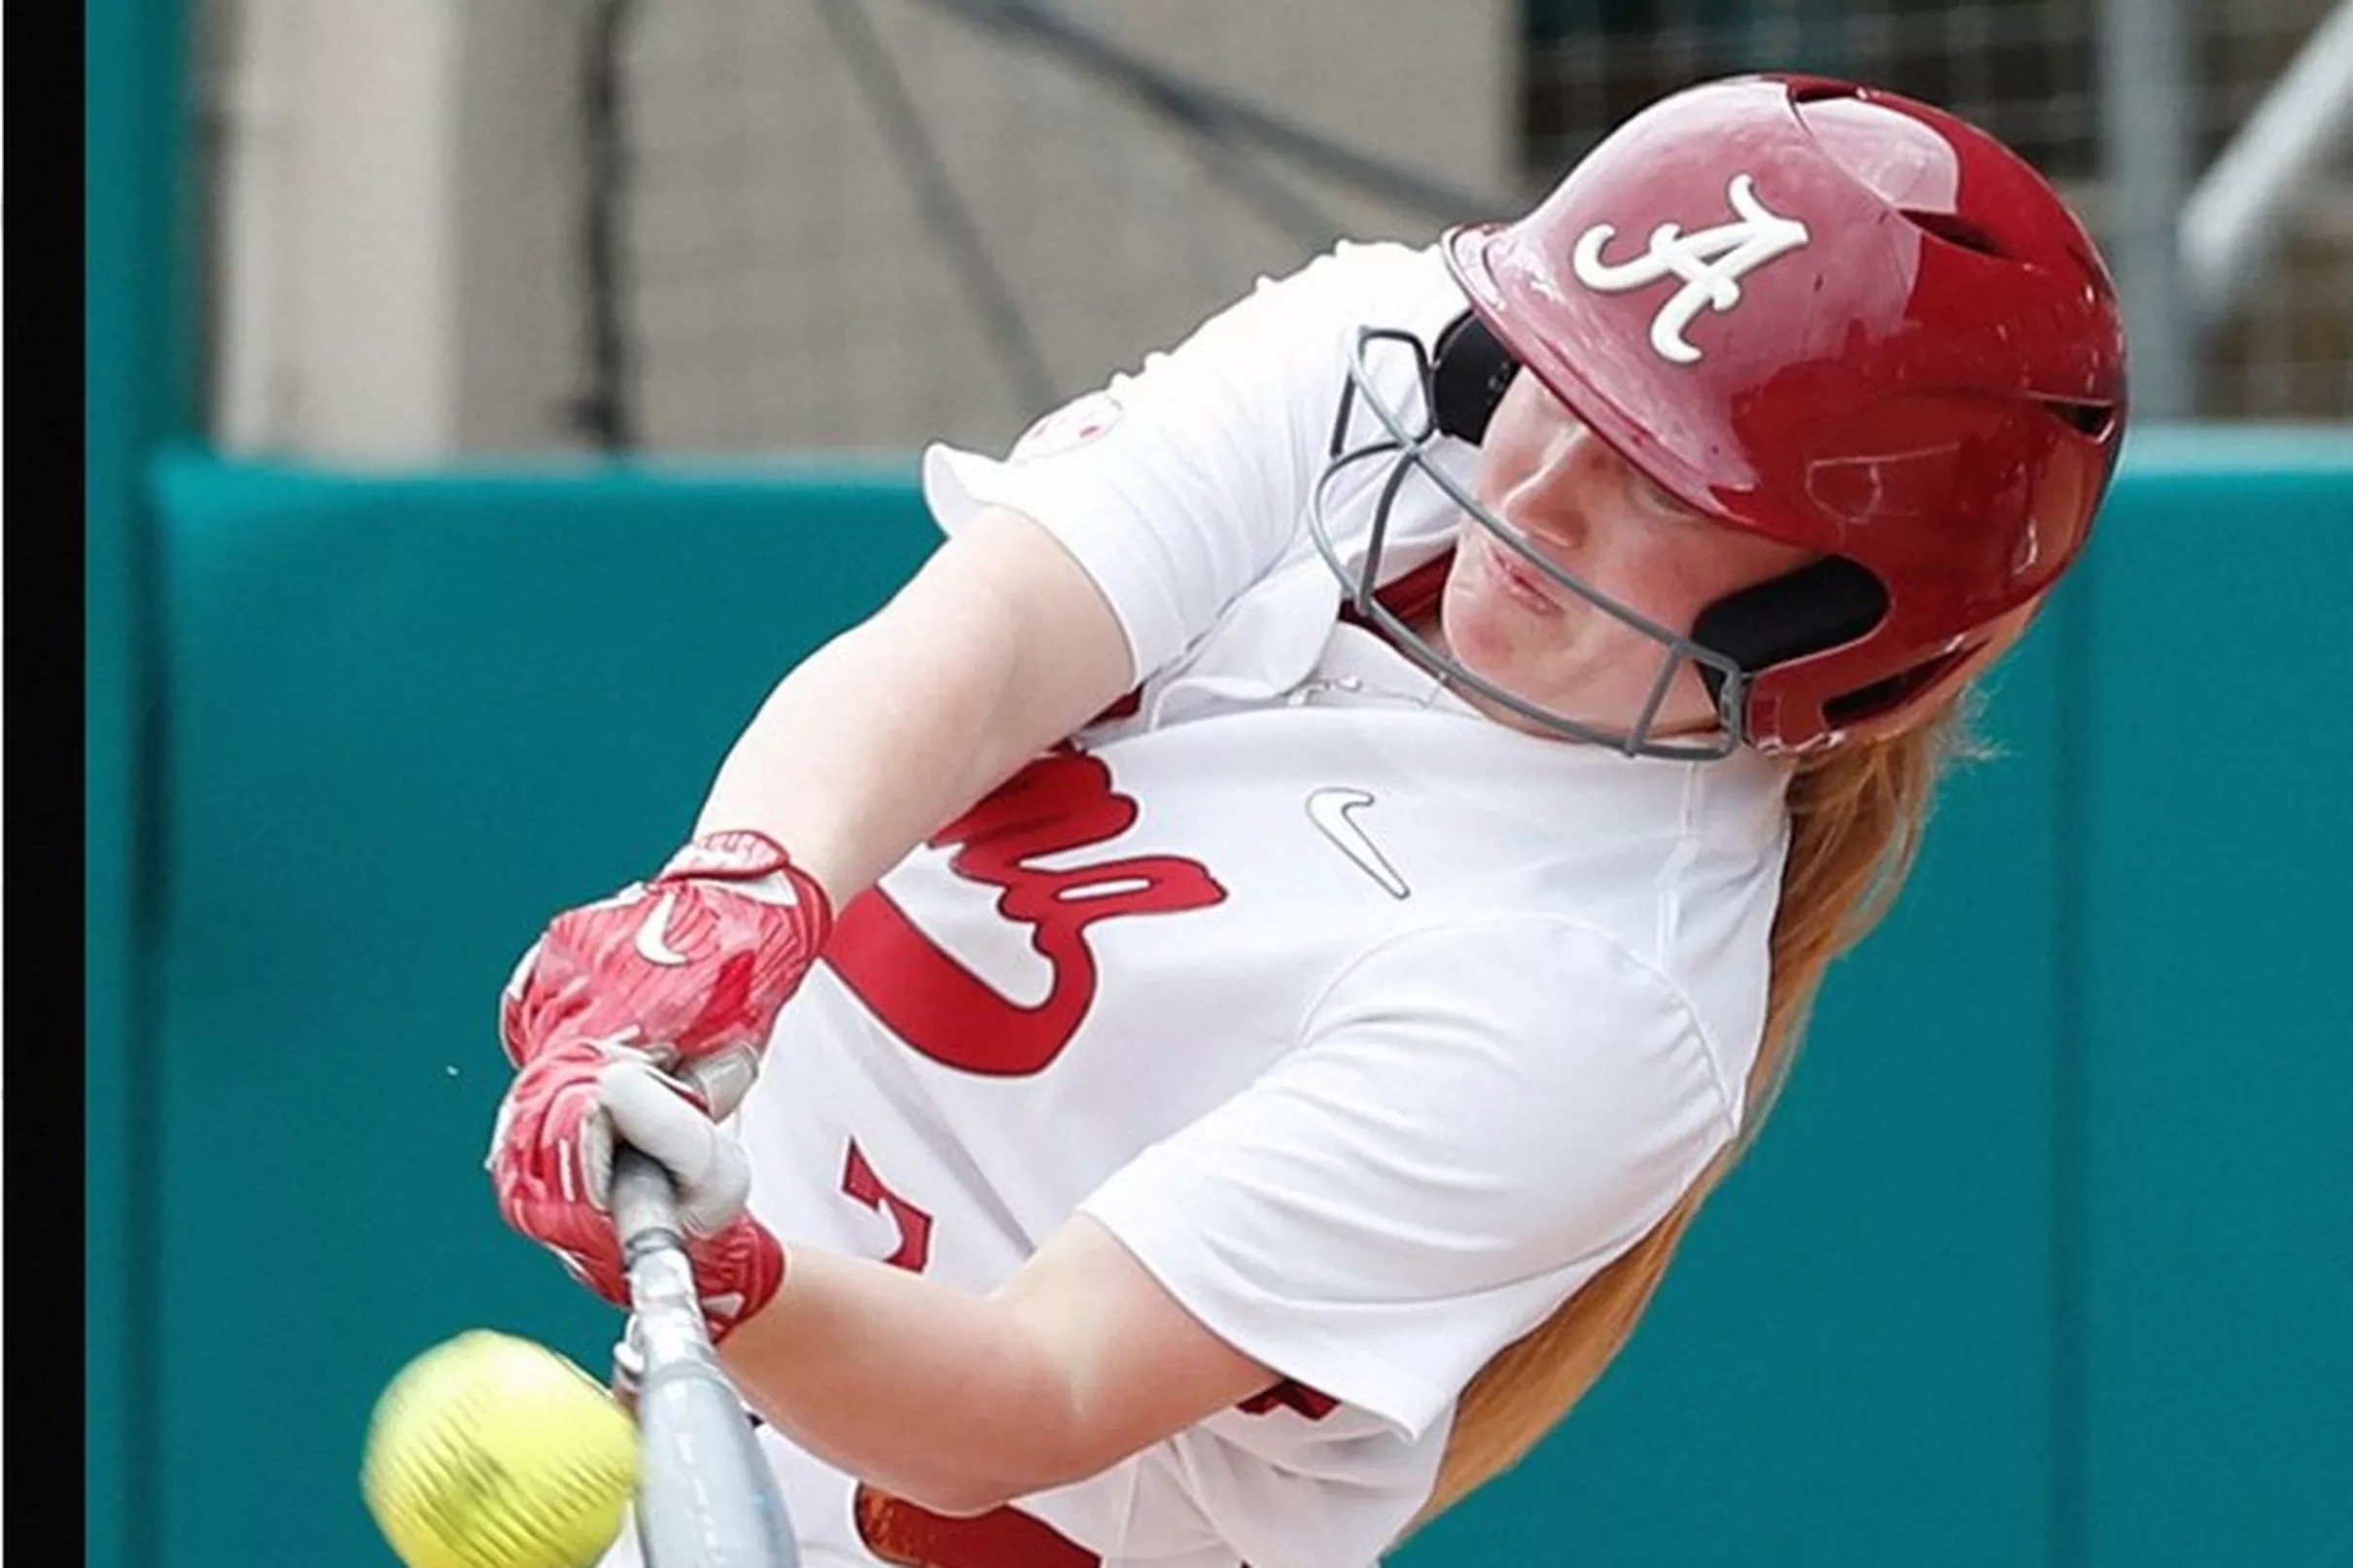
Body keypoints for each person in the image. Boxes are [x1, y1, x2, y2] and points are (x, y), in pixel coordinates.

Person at [486, 73, 2127, 1568]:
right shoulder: (1385, 360)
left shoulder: (1595, 993)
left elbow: (1027, 1399)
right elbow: (975, 653)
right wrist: (745, 889)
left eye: (1669, 485)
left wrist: (733, 1270)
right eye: (1556, 376)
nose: (1536, 480)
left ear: (1843, 643)